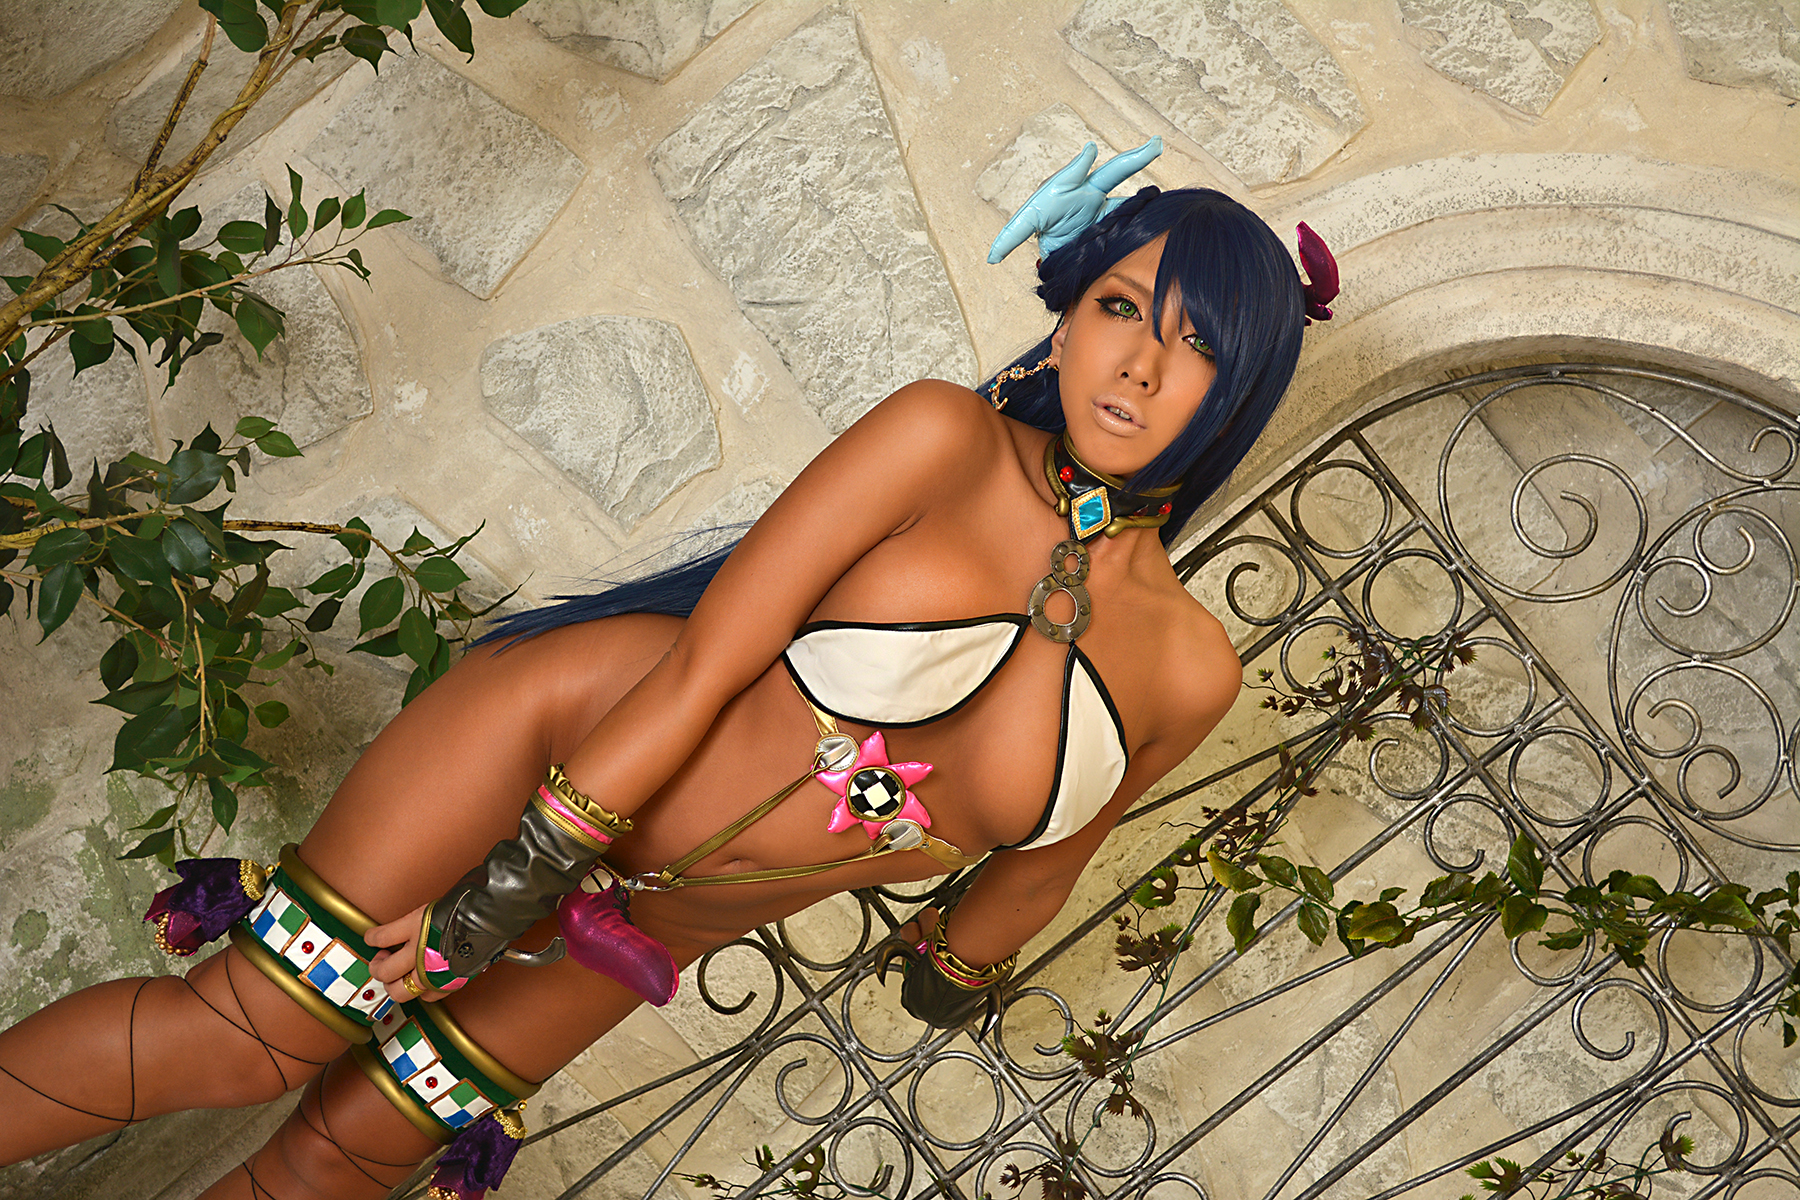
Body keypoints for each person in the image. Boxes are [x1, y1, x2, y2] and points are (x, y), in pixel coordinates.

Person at [0, 142, 1333, 1198]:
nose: (1139, 363)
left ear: (1243, 388)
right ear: (1068, 316)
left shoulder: (1188, 673)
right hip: (549, 760)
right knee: (251, 1040)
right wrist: (480, 910)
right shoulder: (944, 441)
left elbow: (1037, 873)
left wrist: (957, 970)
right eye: (1119, 307)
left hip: (633, 935)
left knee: (345, 1157)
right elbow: (700, 670)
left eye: (1198, 346)